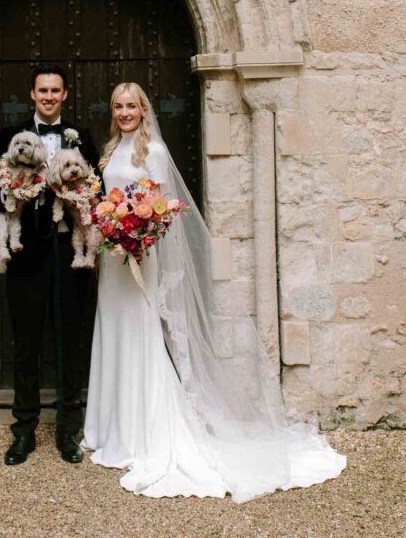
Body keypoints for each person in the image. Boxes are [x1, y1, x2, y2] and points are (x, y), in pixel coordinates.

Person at [82, 82, 347, 502]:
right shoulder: (111, 150)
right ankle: (108, 428)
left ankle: (138, 434)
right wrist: (110, 226)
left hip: (140, 259)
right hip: (114, 262)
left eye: (131, 105)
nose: (125, 112)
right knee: (113, 330)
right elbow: (106, 201)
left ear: (144, 109)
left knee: (139, 335)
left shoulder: (154, 153)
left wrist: (137, 233)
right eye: (118, 105)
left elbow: (164, 210)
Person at [0, 64, 99, 467]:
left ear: (64, 95)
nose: (48, 96)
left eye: (55, 91)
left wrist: (82, 197)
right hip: (26, 251)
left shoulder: (80, 136)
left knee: (69, 339)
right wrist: (13, 191)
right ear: (32, 95)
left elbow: (98, 189)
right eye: (42, 90)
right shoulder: (13, 136)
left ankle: (68, 431)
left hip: (68, 253)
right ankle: (23, 431)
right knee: (26, 342)